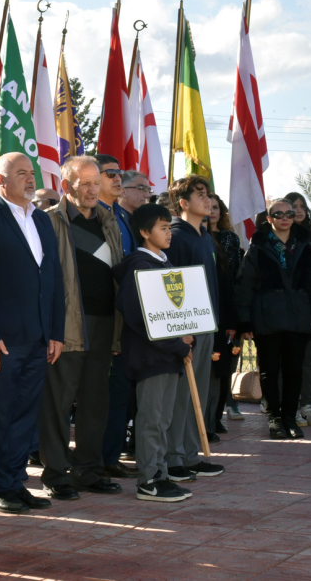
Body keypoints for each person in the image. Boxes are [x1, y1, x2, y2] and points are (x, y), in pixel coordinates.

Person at [0, 152, 65, 515]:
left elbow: (53, 277)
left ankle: (16, 482)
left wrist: (56, 331)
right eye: (21, 173)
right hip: (0, 340)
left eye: (31, 172)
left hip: (38, 336)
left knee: (24, 414)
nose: (30, 178)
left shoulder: (41, 218)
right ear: (0, 180)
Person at [42, 156, 125, 499]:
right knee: (58, 403)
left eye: (96, 183)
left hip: (105, 323)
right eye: (84, 184)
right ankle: (56, 474)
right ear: (66, 186)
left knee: (95, 401)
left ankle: (88, 470)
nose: (92, 190)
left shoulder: (109, 220)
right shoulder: (48, 221)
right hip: (66, 326)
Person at [112, 204, 194, 502]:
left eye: (170, 227)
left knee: (162, 419)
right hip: (151, 357)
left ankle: (160, 473)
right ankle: (149, 480)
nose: (169, 233)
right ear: (145, 232)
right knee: (151, 418)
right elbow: (143, 318)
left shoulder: (163, 263)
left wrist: (187, 335)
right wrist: (177, 344)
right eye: (163, 228)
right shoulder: (139, 267)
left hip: (169, 355)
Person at [237, 199, 311, 440]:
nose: (285, 218)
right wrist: (244, 322)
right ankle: (274, 419)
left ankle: (290, 418)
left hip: (299, 315)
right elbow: (245, 285)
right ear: (269, 219)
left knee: (294, 370)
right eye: (279, 214)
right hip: (267, 316)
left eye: (289, 213)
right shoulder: (258, 247)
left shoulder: (306, 245)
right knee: (269, 371)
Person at [166, 176, 225, 481]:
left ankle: (190, 454)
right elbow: (171, 285)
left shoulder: (204, 236)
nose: (207, 199)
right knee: (180, 395)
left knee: (196, 394)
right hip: (186, 328)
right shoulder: (177, 236)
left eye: (208, 194)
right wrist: (180, 331)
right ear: (183, 203)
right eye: (200, 194)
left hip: (206, 324)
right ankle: (173, 458)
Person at [92, 157, 137, 480]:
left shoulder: (122, 215)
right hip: (99, 318)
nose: (118, 178)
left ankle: (111, 455)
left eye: (119, 173)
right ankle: (96, 458)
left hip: (125, 317)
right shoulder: (90, 216)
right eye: (110, 173)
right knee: (100, 394)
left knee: (120, 391)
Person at [285, 191, 311, 428]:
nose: (299, 210)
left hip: (309, 310)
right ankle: (288, 408)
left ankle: (308, 405)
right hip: (283, 311)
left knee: (309, 360)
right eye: (294, 206)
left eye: (302, 206)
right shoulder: (275, 238)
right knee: (288, 360)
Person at [206, 194, 242, 435]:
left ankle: (216, 418)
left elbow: (236, 276)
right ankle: (202, 420)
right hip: (202, 310)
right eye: (208, 206)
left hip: (226, 309)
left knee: (223, 368)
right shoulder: (196, 236)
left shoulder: (230, 238)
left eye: (216, 207)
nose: (212, 211)